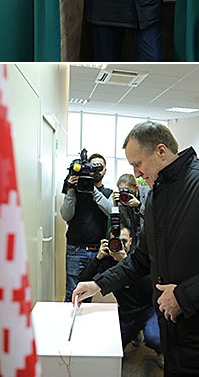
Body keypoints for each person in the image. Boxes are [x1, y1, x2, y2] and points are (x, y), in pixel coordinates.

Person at [73, 122, 199, 377]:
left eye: (137, 163)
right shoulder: (156, 197)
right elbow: (141, 259)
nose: (136, 172)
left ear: (161, 151)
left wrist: (183, 296)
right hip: (177, 336)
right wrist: (97, 284)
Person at [80, 222, 162, 363]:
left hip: (147, 310)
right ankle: (134, 333)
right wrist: (98, 258)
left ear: (131, 241)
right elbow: (83, 281)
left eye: (123, 241)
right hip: (125, 313)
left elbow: (150, 286)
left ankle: (162, 352)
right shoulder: (107, 262)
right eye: (116, 241)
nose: (119, 245)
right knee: (110, 350)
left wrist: (125, 262)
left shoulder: (139, 259)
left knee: (155, 338)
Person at [60, 150, 112, 302]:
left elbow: (110, 210)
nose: (96, 171)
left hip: (97, 253)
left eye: (99, 167)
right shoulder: (76, 190)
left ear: (105, 170)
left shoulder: (108, 193)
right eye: (92, 166)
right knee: (71, 293)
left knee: (87, 295)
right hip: (76, 249)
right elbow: (66, 215)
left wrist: (92, 189)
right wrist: (71, 190)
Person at [113, 172, 150, 238]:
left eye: (126, 190)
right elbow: (126, 224)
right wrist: (116, 206)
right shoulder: (122, 200)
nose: (124, 194)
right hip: (133, 239)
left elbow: (152, 217)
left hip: (148, 236)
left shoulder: (148, 193)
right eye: (121, 191)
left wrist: (139, 206)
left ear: (136, 188)